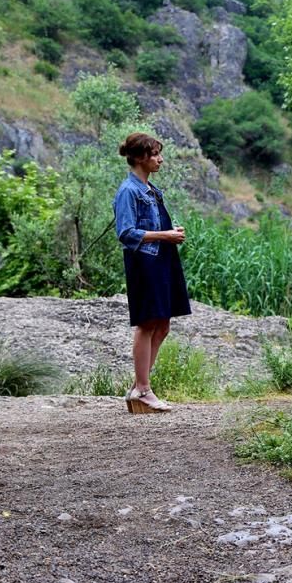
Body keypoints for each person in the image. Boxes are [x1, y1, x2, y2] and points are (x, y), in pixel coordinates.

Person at [113, 133, 191, 413]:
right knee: (147, 324)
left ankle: (139, 387)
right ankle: (143, 390)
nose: (160, 159)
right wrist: (165, 235)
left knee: (163, 324)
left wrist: (168, 234)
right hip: (144, 263)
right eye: (155, 154)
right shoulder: (128, 191)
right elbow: (126, 233)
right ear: (139, 157)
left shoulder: (150, 189)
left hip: (160, 259)